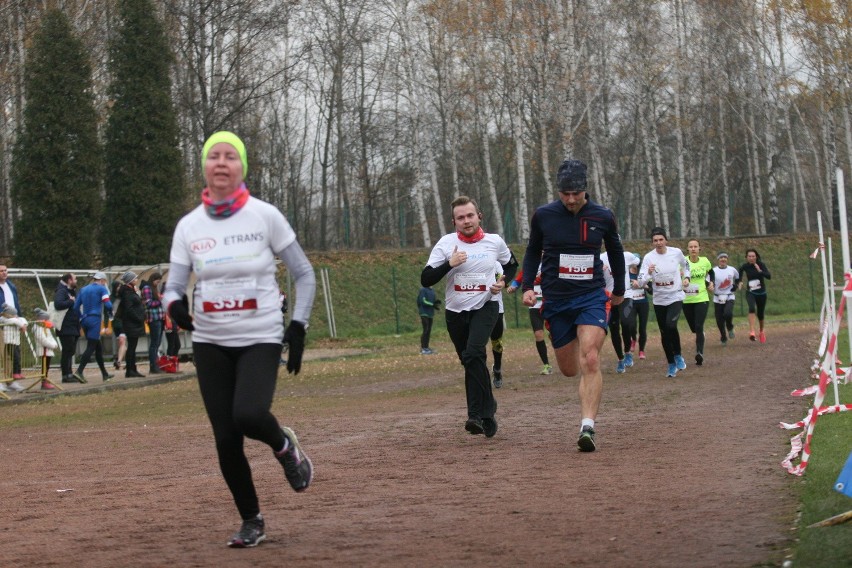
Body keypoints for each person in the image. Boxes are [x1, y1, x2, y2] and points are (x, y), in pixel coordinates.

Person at [162, 131, 316, 548]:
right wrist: (175, 306)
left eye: (231, 156)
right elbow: (172, 287)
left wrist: (297, 325)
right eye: (214, 156)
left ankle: (285, 447)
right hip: (210, 340)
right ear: (205, 167)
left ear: (241, 167)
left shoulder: (265, 216)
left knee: (248, 414)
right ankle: (252, 520)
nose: (222, 162)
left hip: (260, 336)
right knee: (226, 436)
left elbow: (303, 273)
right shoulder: (189, 226)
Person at [522, 159, 625, 452]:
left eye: (575, 193)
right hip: (556, 299)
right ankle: (578, 355)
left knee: (590, 357)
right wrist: (529, 286)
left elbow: (615, 252)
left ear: (585, 189)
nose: (570, 199)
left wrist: (619, 288)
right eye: (564, 193)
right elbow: (532, 252)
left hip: (591, 295)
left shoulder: (603, 216)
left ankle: (587, 427)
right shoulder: (543, 215)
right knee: (569, 369)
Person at [421, 195, 517, 438]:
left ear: (479, 216)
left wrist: (502, 282)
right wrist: (449, 264)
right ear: (454, 221)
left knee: (474, 353)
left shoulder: (494, 242)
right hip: (456, 312)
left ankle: (476, 415)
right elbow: (426, 278)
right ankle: (489, 408)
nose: (466, 221)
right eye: (460, 217)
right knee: (470, 362)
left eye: (470, 215)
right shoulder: (446, 244)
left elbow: (511, 265)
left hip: (486, 306)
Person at [634, 228, 690, 378]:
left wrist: (687, 278)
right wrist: (648, 273)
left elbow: (686, 266)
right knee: (664, 331)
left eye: (661, 240)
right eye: (655, 240)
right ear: (652, 242)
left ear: (666, 240)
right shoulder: (648, 258)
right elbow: (640, 281)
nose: (658, 243)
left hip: (675, 296)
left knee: (671, 325)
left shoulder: (676, 253)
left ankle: (678, 355)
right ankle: (671, 364)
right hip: (659, 299)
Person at [507, 265, 553, 375]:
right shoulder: (531, 264)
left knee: (555, 334)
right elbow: (519, 279)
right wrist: (513, 287)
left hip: (550, 303)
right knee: (538, 334)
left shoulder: (552, 261)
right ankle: (546, 365)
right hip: (534, 305)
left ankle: (564, 356)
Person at [72, 272, 115, 383]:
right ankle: (79, 371)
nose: (105, 284)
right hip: (94, 320)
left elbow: (76, 307)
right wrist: (111, 313)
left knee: (97, 347)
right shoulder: (102, 289)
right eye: (105, 282)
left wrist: (81, 317)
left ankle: (105, 374)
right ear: (102, 280)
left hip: (85, 320)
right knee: (91, 346)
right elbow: (108, 304)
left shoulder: (83, 289)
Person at [601, 251, 640, 373]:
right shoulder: (601, 257)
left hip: (626, 294)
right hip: (609, 297)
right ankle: (620, 358)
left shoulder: (626, 255)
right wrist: (600, 269)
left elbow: (638, 261)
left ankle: (628, 352)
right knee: (613, 328)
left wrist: (637, 275)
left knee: (626, 322)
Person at [682, 240, 713, 366]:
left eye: (695, 247)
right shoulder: (683, 261)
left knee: (699, 326)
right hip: (686, 299)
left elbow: (711, 272)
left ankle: (699, 353)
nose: (693, 249)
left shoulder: (705, 261)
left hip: (702, 298)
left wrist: (711, 282)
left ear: (699, 248)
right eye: (691, 247)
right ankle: (700, 335)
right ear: (688, 249)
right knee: (694, 328)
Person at [115, 271, 147, 378]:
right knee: (132, 347)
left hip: (133, 323)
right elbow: (129, 309)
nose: (137, 280)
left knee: (133, 347)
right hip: (131, 323)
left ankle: (133, 369)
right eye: (135, 278)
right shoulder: (127, 293)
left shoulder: (131, 291)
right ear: (130, 281)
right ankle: (130, 370)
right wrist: (139, 318)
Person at [54, 273, 82, 383]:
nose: (76, 281)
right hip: (66, 327)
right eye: (75, 279)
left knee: (70, 351)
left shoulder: (71, 291)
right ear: (69, 280)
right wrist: (71, 301)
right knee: (67, 351)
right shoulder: (62, 291)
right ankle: (66, 375)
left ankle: (69, 372)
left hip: (72, 325)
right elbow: (58, 304)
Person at [738, 248, 771, 343]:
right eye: (749, 256)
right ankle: (752, 331)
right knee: (752, 308)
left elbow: (769, 276)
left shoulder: (761, 265)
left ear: (756, 257)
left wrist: (760, 271)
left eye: (753, 256)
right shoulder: (745, 266)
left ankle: (761, 331)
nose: (751, 258)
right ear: (746, 257)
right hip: (751, 292)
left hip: (761, 293)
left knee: (760, 314)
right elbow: (740, 271)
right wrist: (740, 281)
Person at [0, 264, 24, 386]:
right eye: (1, 271)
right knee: (3, 352)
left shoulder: (11, 286)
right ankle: (3, 381)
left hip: (13, 321)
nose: (4, 273)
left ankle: (10, 381)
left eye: (5, 270)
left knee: (12, 351)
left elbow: (16, 303)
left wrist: (19, 318)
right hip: (3, 321)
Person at [710, 252, 740, 344]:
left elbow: (738, 278)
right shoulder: (713, 271)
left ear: (727, 259)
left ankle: (730, 327)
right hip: (717, 297)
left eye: (725, 257)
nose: (723, 259)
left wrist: (736, 285)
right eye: (721, 258)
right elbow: (708, 281)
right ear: (718, 259)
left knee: (728, 313)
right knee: (719, 320)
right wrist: (710, 285)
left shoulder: (732, 270)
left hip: (729, 296)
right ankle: (723, 336)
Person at [626, 255, 650, 360]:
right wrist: (631, 283)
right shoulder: (626, 274)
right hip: (631, 303)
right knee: (631, 325)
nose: (634, 264)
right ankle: (633, 339)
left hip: (643, 303)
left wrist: (643, 285)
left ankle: (641, 350)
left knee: (642, 328)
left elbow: (651, 290)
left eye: (636, 262)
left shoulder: (642, 274)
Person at [0, 304, 28, 392]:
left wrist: (22, 323)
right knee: (8, 358)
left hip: (12, 341)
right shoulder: (4, 319)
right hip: (8, 340)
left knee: (9, 359)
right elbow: (14, 320)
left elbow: (21, 319)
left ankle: (10, 381)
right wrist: (20, 323)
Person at [142, 273, 166, 374]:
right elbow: (148, 303)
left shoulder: (155, 288)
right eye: (157, 281)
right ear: (153, 279)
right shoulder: (147, 288)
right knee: (154, 343)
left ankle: (156, 364)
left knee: (157, 343)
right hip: (154, 318)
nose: (158, 283)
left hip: (159, 318)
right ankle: (153, 366)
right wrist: (161, 301)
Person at [31, 308, 59, 390]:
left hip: (48, 350)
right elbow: (43, 340)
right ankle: (44, 381)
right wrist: (52, 346)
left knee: (47, 367)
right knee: (44, 367)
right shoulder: (37, 328)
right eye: (46, 319)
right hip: (43, 351)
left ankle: (45, 380)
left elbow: (50, 337)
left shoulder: (46, 327)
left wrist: (55, 344)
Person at [491, 262, 506, 388]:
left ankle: (497, 368)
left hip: (496, 308)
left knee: (497, 342)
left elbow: (501, 281)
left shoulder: (495, 264)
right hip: (475, 308)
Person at [110, 279, 128, 371]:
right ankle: (129, 361)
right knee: (122, 343)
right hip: (115, 323)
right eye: (118, 286)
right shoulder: (111, 298)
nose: (119, 288)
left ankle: (119, 361)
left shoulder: (124, 296)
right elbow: (107, 312)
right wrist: (106, 325)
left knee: (122, 341)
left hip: (123, 322)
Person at [416, 285, 440, 355]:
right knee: (425, 330)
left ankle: (426, 347)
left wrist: (435, 304)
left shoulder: (432, 291)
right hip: (424, 313)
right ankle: (423, 348)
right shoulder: (423, 290)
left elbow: (433, 301)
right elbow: (422, 301)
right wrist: (432, 304)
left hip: (430, 313)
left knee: (428, 330)